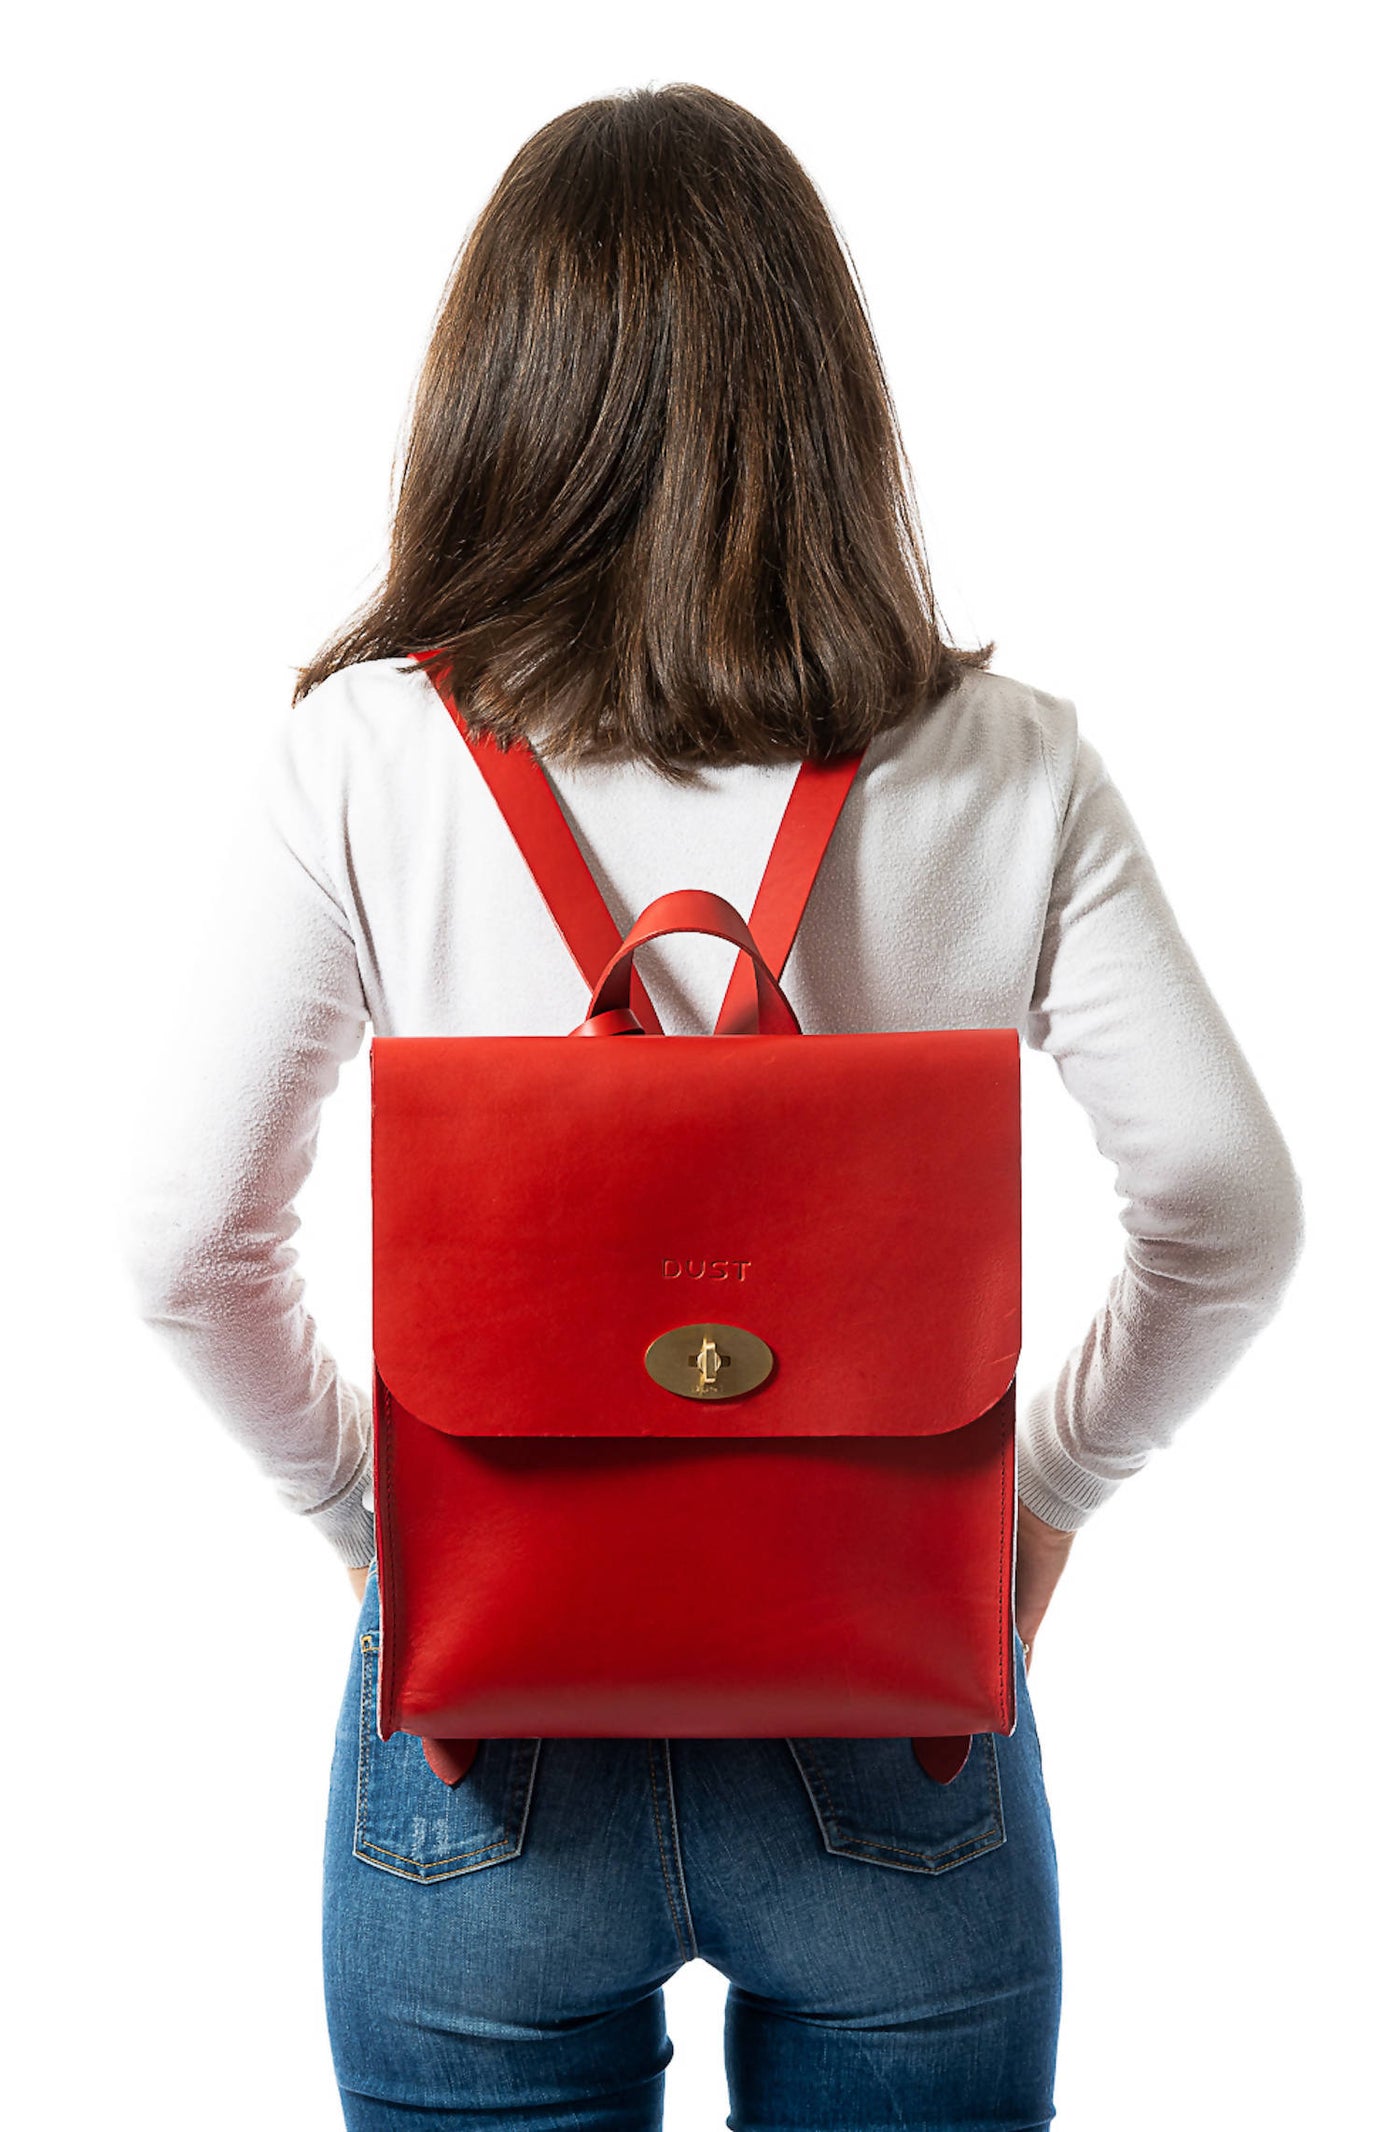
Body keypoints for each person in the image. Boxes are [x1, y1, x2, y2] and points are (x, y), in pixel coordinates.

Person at [123, 81, 1305, 2132]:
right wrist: (1040, 1499)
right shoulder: (1007, 761)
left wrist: (378, 1529)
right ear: (823, 398)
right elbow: (1227, 1202)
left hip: (486, 1731)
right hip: (889, 1699)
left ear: (496, 392)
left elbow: (180, 1245)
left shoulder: (363, 760)